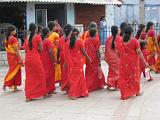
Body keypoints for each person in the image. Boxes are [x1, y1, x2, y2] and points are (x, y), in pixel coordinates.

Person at [117, 26, 149, 100]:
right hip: (133, 64)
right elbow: (139, 52)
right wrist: (144, 62)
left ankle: (125, 94)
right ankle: (137, 92)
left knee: (124, 78)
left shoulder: (120, 41)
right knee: (135, 77)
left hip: (123, 63)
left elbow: (118, 53)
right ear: (131, 33)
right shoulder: (135, 41)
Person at [64, 28, 91, 100]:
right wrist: (88, 58)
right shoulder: (79, 42)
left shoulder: (67, 42)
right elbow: (84, 52)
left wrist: (65, 63)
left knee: (78, 78)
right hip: (78, 62)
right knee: (77, 79)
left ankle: (82, 92)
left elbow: (66, 54)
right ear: (77, 34)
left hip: (71, 63)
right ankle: (72, 94)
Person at [25, 23, 48, 102]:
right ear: (36, 29)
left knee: (29, 77)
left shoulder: (27, 38)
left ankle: (28, 96)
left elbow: (25, 48)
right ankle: (44, 93)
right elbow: (41, 50)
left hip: (27, 59)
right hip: (35, 58)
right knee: (40, 75)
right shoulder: (38, 37)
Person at [84, 22, 106, 92]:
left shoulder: (86, 40)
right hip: (94, 58)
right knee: (96, 71)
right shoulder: (97, 40)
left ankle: (88, 86)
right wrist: (99, 61)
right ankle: (97, 85)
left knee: (89, 72)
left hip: (88, 58)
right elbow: (97, 51)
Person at [3, 25, 23, 92]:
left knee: (14, 71)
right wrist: (20, 58)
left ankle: (15, 88)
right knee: (14, 71)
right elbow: (16, 50)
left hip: (9, 57)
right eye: (14, 30)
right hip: (15, 57)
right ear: (11, 31)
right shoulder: (13, 39)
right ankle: (6, 83)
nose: (15, 32)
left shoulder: (6, 39)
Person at [105, 26, 122, 90]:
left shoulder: (108, 39)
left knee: (111, 71)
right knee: (118, 72)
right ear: (117, 31)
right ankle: (117, 86)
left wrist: (107, 58)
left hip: (110, 59)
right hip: (117, 58)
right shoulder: (120, 38)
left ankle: (109, 85)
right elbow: (121, 49)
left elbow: (106, 50)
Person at [58, 24, 73, 93]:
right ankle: (70, 87)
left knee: (64, 72)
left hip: (62, 56)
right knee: (70, 71)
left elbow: (58, 50)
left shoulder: (60, 39)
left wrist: (57, 58)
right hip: (69, 56)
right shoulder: (71, 39)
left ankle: (66, 87)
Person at [41, 27, 56, 94]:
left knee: (47, 74)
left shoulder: (42, 40)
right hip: (48, 59)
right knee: (49, 75)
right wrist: (54, 60)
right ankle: (47, 90)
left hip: (43, 59)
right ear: (47, 33)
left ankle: (49, 89)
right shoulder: (47, 40)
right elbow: (50, 51)